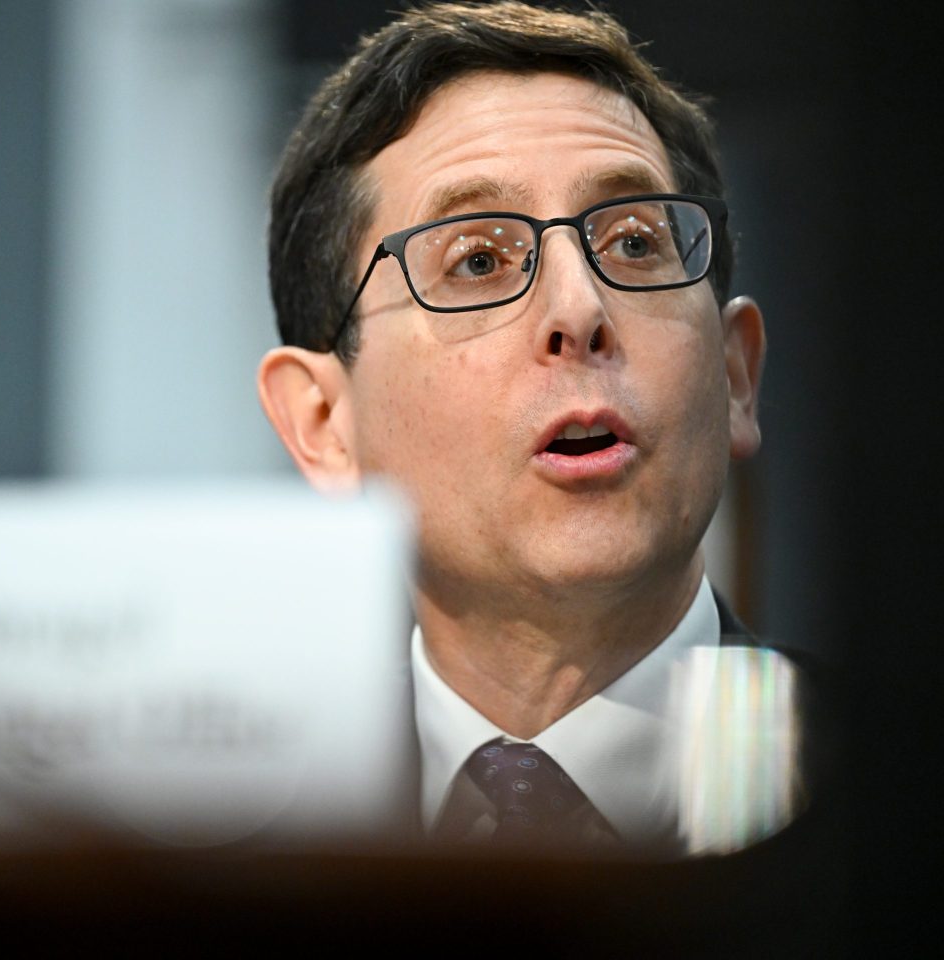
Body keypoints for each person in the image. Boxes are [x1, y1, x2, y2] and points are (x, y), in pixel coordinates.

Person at [257, 1, 776, 853]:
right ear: (323, 422)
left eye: (636, 243)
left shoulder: (927, 806)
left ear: (733, 377)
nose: (579, 308)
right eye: (478, 261)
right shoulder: (213, 855)